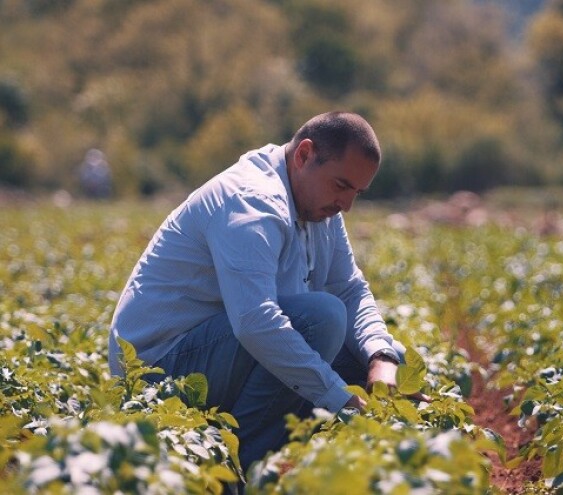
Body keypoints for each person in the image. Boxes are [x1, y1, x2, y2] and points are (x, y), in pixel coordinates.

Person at [109, 111, 429, 474]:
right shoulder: (253, 202)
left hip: (220, 348)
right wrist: (339, 397)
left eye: (357, 192)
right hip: (157, 366)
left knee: (388, 363)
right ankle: (242, 466)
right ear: (304, 155)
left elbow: (350, 288)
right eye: (341, 186)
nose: (347, 204)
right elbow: (255, 321)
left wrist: (381, 357)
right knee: (319, 320)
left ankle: (301, 458)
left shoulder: (320, 206)